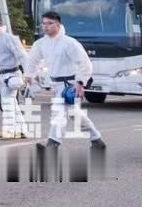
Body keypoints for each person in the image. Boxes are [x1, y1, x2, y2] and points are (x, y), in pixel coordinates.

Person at [24, 11, 106, 151]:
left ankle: (53, 143)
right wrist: (29, 76)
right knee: (74, 114)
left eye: (50, 23)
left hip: (70, 84)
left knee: (59, 112)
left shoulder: (69, 43)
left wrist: (80, 82)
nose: (46, 26)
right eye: (44, 23)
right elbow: (32, 60)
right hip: (55, 84)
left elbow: (84, 63)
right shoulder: (40, 44)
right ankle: (96, 138)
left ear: (58, 24)